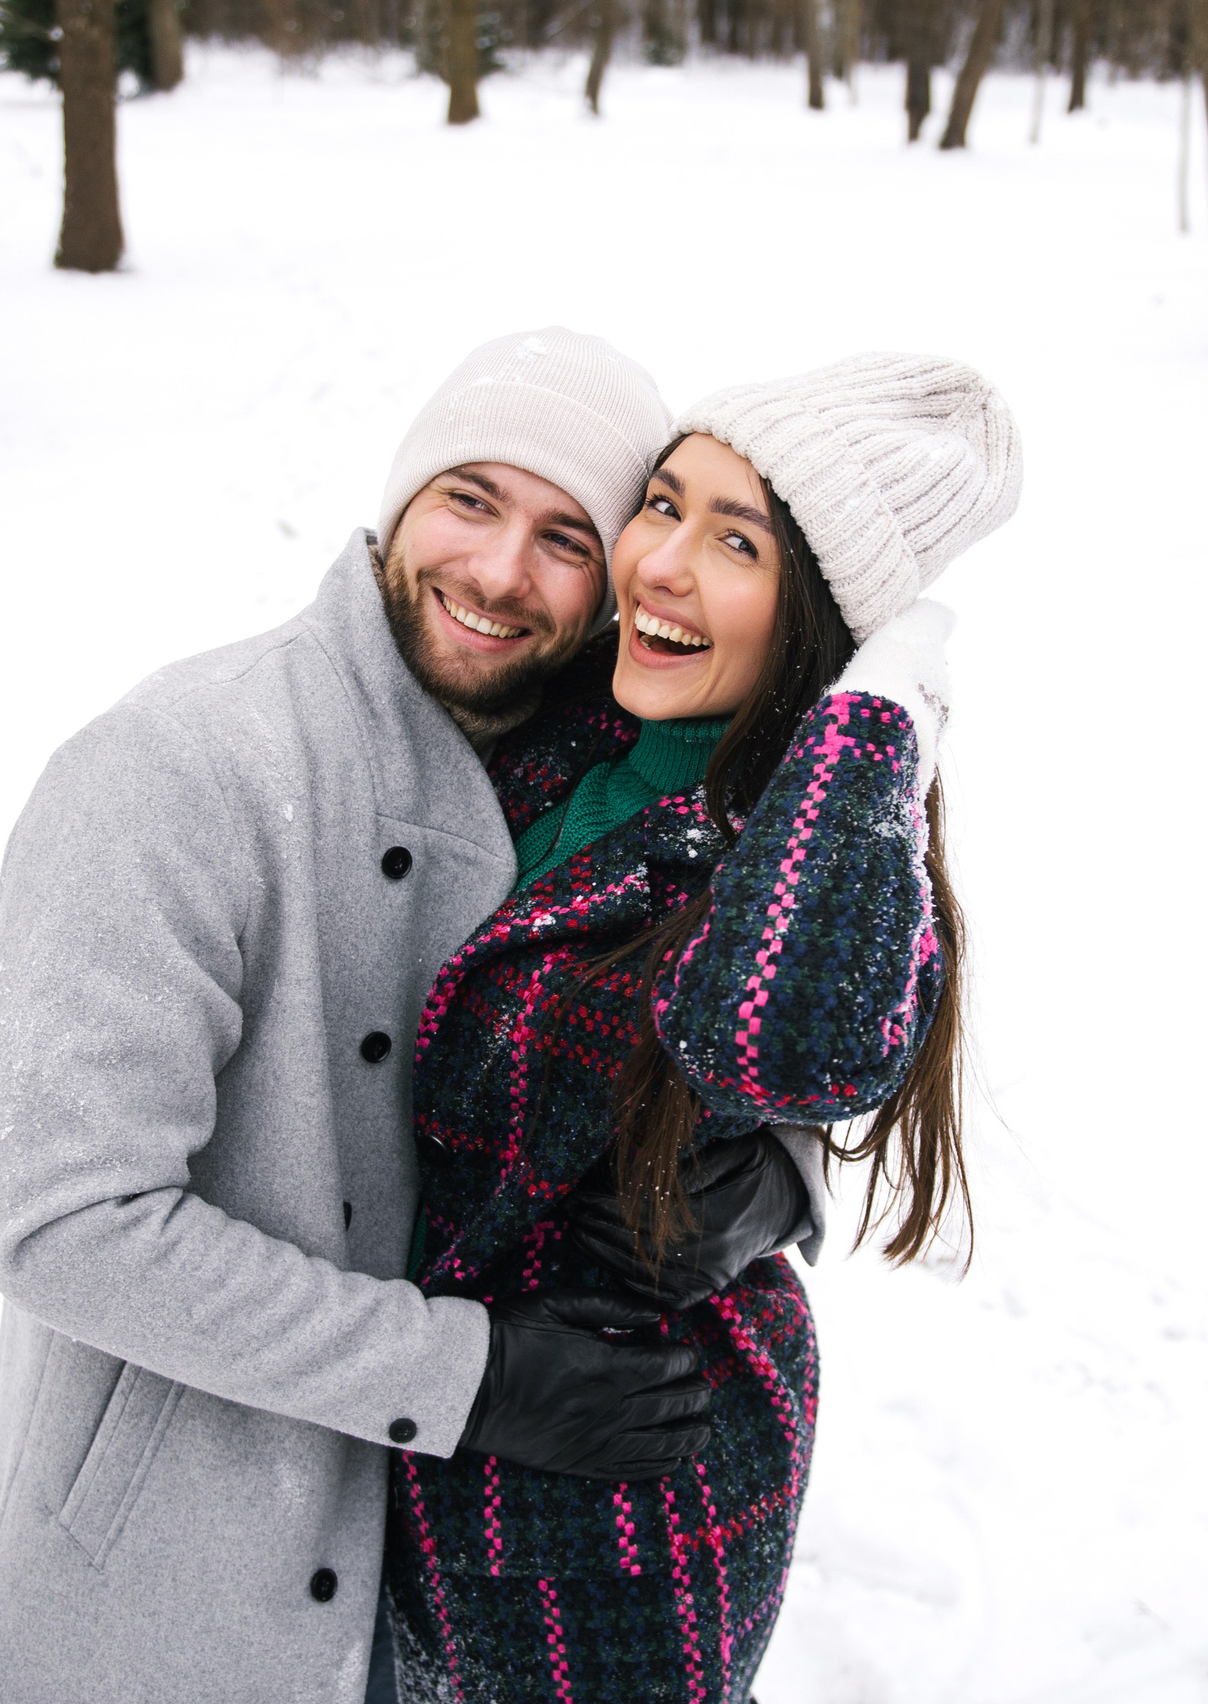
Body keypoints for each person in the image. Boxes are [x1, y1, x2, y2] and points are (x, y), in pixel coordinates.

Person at [0, 329, 831, 1704]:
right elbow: (68, 1224)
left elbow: (725, 1001)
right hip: (185, 1572)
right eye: (469, 499)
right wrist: (470, 1376)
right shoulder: (179, 769)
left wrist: (768, 1172)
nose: (498, 574)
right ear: (400, 499)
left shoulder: (578, 782)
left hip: (454, 1590)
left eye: (566, 539)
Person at [383, 353, 1022, 1702]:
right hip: (396, 1469)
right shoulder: (559, 737)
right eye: (661, 504)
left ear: (821, 624)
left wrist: (877, 721)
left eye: (736, 542)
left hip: (596, 1538)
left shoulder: (802, 849)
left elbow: (792, 1047)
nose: (659, 563)